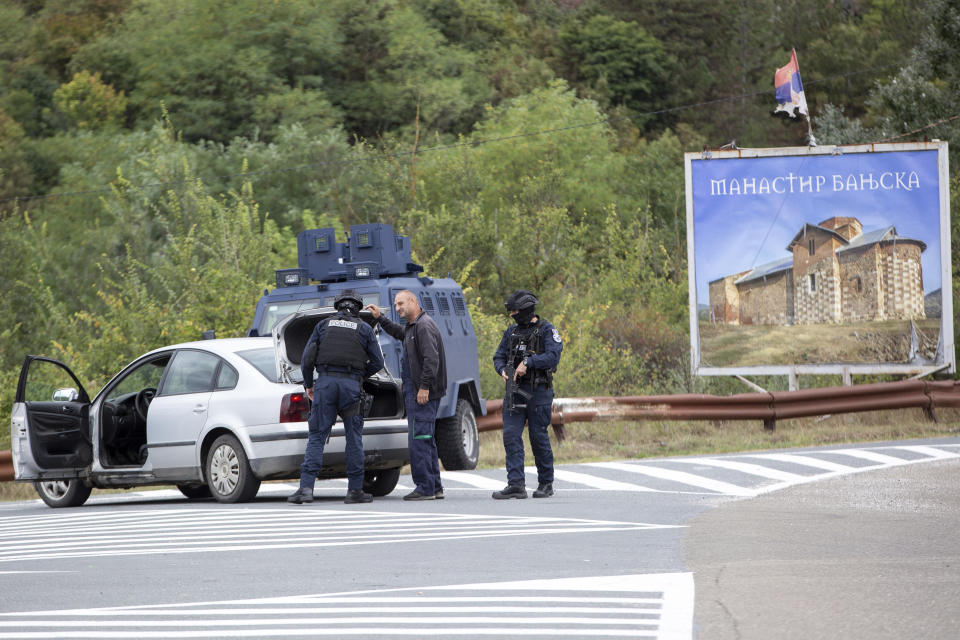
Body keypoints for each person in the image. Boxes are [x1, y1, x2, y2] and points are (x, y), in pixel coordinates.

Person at [288, 289, 384, 505]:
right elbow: (378, 362)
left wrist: (308, 385)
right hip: (351, 387)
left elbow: (307, 359)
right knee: (353, 438)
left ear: (337, 306)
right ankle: (355, 491)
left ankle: (305, 489)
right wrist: (359, 375)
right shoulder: (365, 329)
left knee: (317, 437)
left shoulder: (323, 326)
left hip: (326, 385)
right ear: (358, 308)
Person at [365, 290, 447, 501]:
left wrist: (424, 388)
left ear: (413, 301)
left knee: (418, 439)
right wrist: (380, 318)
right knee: (426, 438)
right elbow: (399, 332)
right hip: (417, 390)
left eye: (401, 303)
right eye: (396, 304)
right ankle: (434, 486)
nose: (398, 307)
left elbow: (431, 359)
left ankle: (425, 488)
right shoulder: (413, 327)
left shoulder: (424, 326)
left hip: (422, 393)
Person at [491, 290, 562, 499]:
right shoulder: (511, 333)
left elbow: (553, 357)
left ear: (526, 310)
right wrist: (502, 369)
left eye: (515, 311)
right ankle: (515, 484)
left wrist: (529, 363)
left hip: (539, 391)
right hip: (514, 392)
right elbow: (498, 356)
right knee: (511, 436)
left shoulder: (547, 330)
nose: (512, 315)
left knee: (538, 436)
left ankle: (545, 483)